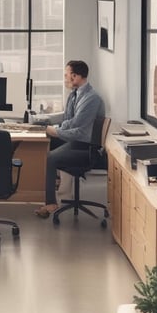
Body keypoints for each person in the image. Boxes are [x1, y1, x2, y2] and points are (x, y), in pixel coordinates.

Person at [34, 60, 105, 218]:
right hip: (77, 141)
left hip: (86, 147)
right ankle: (61, 190)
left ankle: (51, 203)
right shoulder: (75, 94)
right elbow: (67, 118)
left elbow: (77, 127)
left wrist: (55, 131)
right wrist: (45, 121)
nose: (65, 78)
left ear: (76, 76)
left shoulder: (91, 98)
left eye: (66, 75)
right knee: (48, 143)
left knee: (51, 158)